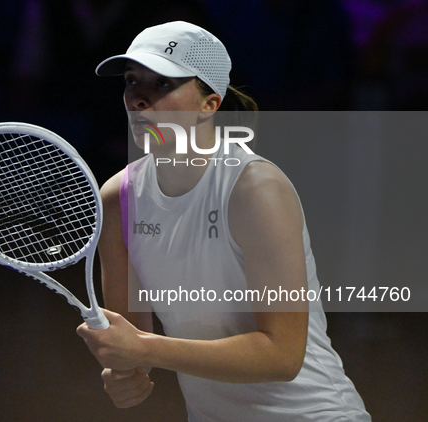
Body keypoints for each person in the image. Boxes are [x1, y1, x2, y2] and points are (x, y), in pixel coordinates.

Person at [76, 21, 371, 421]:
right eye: (131, 81)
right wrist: (124, 371)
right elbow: (134, 345)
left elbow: (282, 355)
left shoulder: (255, 188)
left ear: (209, 104)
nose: (138, 99)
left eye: (162, 84)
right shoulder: (119, 200)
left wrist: (144, 349)